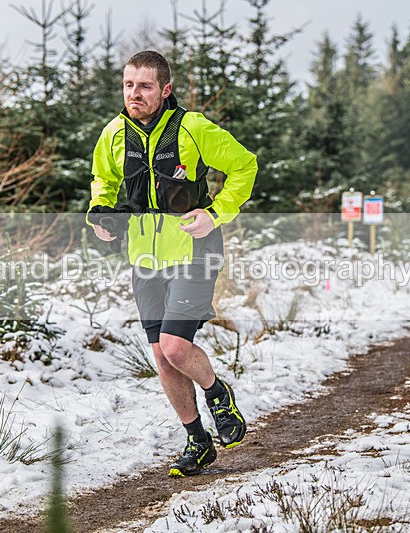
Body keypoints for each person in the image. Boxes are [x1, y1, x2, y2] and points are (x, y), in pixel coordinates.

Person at [87, 50, 258, 477]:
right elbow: (103, 182)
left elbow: (245, 166)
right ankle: (198, 442)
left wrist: (215, 213)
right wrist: (102, 215)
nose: (134, 94)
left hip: (195, 251)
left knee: (177, 346)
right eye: (128, 85)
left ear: (164, 89)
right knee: (162, 357)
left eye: (144, 86)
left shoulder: (193, 128)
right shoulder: (112, 134)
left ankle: (217, 392)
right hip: (144, 257)